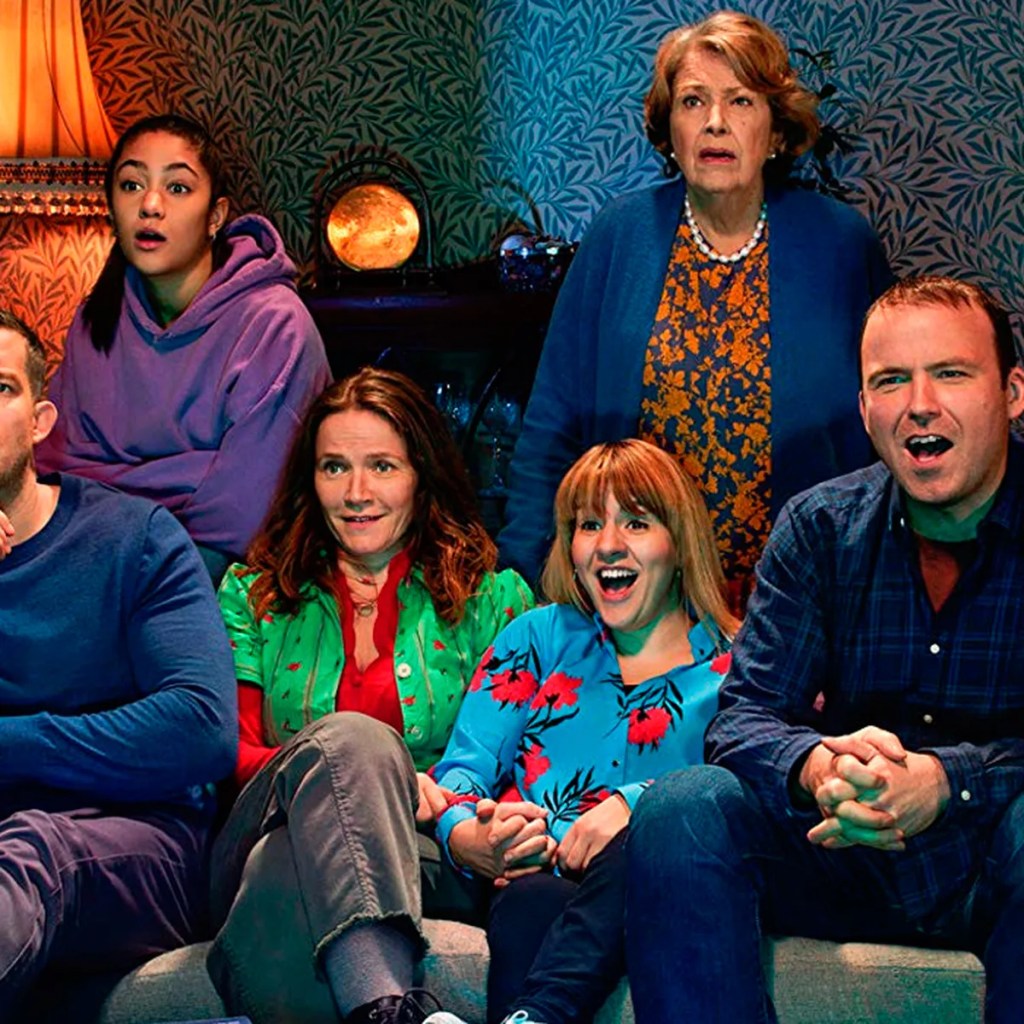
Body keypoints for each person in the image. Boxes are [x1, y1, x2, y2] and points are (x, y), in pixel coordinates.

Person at [626, 277, 1024, 1023]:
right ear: (866, 407)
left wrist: (947, 781)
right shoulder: (820, 526)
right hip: (842, 846)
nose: (920, 404)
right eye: (891, 381)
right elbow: (742, 716)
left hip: (991, 856)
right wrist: (818, 767)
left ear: (1011, 393)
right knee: (684, 806)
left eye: (950, 373)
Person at [499, 11, 892, 605]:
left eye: (740, 101)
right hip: (638, 602)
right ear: (670, 130)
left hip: (805, 598)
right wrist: (525, 586)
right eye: (692, 101)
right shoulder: (619, 237)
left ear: (776, 132)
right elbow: (551, 424)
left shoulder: (840, 244)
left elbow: (885, 424)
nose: (715, 122)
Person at [206, 367, 534, 1024]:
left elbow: (521, 764)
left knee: (284, 867)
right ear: (310, 480)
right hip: (262, 823)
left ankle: (377, 1008)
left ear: (421, 476)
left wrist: (459, 816)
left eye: (382, 466)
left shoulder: (494, 599)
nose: (357, 493)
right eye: (334, 468)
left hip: (427, 851)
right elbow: (228, 755)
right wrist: (365, 775)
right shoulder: (252, 593)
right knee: (352, 744)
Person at [421, 439, 737, 1024]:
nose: (608, 544)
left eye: (636, 523)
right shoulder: (539, 638)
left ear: (679, 543)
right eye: (589, 524)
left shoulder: (735, 668)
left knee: (650, 848)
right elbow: (463, 770)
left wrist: (633, 806)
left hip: (665, 891)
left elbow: (745, 795)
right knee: (535, 901)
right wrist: (471, 836)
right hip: (534, 884)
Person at [0, 309, 237, 1019]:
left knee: (33, 848)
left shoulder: (132, 538)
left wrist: (14, 744)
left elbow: (200, 729)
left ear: (40, 420)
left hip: (131, 844)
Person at [35, 113, 332, 580]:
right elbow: (51, 471)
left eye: (177, 188)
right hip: (96, 556)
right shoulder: (96, 318)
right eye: (131, 185)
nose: (150, 206)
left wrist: (111, 487)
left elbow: (247, 513)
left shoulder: (274, 325)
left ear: (215, 215)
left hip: (230, 575)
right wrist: (188, 476)